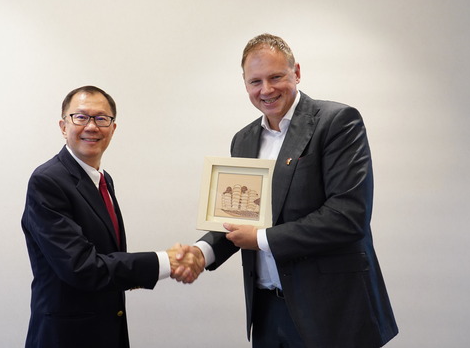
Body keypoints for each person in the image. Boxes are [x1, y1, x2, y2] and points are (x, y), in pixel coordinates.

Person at [174, 33, 398, 348]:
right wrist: (201, 252)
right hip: (268, 314)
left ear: (297, 73)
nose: (266, 90)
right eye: (255, 81)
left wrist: (261, 239)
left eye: (276, 77)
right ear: (245, 85)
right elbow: (237, 217)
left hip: (332, 315)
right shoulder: (243, 140)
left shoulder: (337, 122)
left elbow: (348, 216)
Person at [21, 85, 203, 348]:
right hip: (66, 338)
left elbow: (108, 256)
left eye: (101, 118)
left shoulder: (103, 181)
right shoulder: (47, 181)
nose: (92, 126)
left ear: (113, 129)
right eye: (81, 117)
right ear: (63, 126)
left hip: (107, 333)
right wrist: (166, 262)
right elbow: (82, 268)